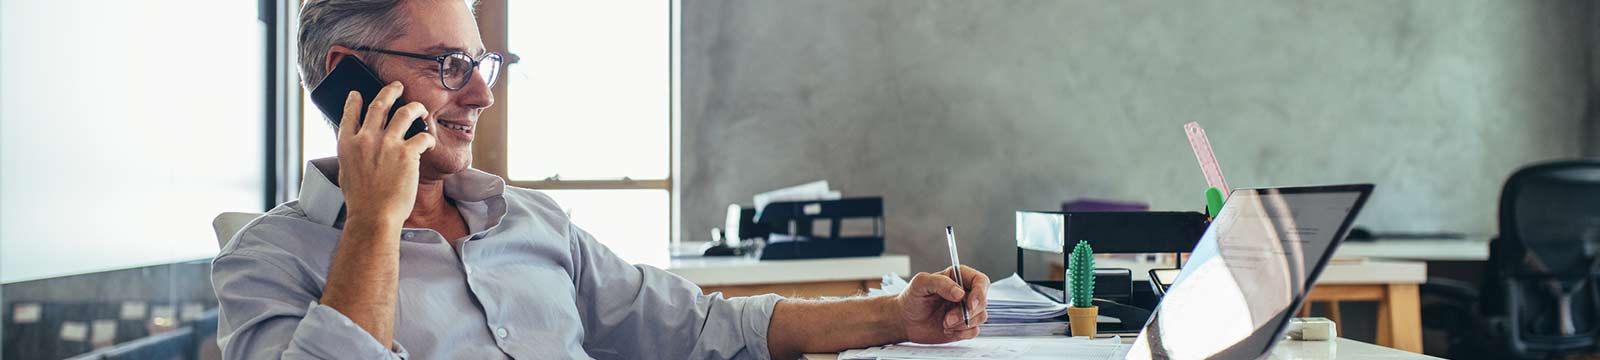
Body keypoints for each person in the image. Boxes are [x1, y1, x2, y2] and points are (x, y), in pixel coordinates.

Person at [211, 0, 992, 358]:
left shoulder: (531, 223)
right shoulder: (267, 259)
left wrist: (896, 316)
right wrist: (377, 222)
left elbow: (706, 329)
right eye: (451, 66)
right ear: (347, 81)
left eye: (483, 65)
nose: (482, 95)